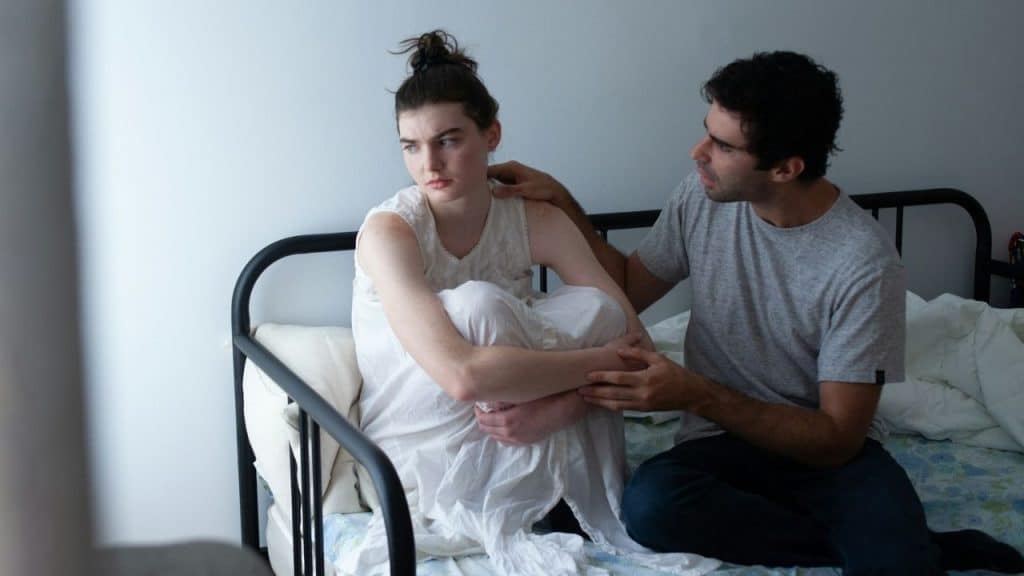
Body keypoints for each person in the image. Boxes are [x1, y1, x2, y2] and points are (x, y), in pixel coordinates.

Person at [484, 51, 1024, 575]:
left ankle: (895, 546)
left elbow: (839, 436)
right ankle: (910, 545)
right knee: (651, 509)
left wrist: (693, 393)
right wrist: (562, 204)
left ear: (786, 168)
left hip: (822, 454)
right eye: (707, 131)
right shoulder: (701, 200)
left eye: (721, 145)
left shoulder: (863, 261)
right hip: (717, 444)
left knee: (895, 565)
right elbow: (626, 286)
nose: (698, 153)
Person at [347, 30, 716, 576]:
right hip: (422, 430)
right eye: (411, 145)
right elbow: (463, 377)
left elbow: (630, 336)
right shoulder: (390, 232)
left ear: (491, 134)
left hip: (531, 413)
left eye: (449, 139)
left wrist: (567, 405)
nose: (430, 163)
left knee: (600, 311)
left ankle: (550, 487)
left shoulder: (531, 219)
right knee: (481, 307)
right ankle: (510, 492)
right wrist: (595, 370)